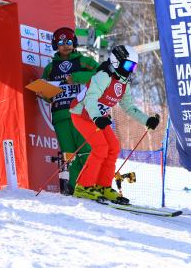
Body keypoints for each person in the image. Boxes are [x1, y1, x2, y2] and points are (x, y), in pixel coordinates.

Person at [69, 45, 161, 203]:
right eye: (128, 65)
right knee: (101, 147)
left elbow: (129, 107)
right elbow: (90, 99)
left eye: (133, 67)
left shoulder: (124, 83)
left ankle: (103, 186)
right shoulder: (103, 76)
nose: (130, 70)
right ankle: (83, 186)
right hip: (81, 114)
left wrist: (147, 120)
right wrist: (97, 118)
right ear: (116, 61)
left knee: (113, 147)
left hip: (98, 116)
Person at [41, 27, 98, 194]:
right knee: (70, 155)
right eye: (60, 42)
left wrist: (77, 77)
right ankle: (75, 187)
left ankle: (90, 185)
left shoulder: (84, 61)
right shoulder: (50, 68)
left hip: (82, 114)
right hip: (60, 117)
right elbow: (47, 93)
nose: (65, 45)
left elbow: (102, 74)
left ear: (75, 43)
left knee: (86, 151)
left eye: (69, 41)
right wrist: (44, 94)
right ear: (55, 45)